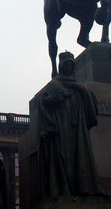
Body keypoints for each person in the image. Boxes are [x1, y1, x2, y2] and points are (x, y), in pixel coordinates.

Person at [37, 51, 104, 199]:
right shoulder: (54, 85)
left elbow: (91, 104)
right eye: (66, 65)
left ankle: (83, 186)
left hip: (77, 127)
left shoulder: (79, 86)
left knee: (80, 155)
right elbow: (43, 102)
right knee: (63, 155)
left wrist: (82, 91)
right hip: (62, 125)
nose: (69, 67)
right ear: (61, 67)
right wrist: (56, 99)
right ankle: (64, 187)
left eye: (70, 65)